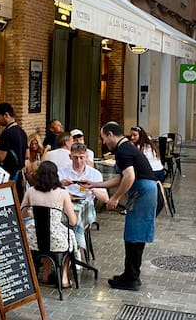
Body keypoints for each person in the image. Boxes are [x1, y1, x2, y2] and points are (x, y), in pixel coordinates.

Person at [85, 122, 157, 291]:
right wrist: (96, 184)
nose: (103, 143)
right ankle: (129, 274)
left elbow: (129, 177)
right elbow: (120, 177)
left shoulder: (124, 150)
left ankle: (132, 279)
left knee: (134, 236)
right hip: (144, 192)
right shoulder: (125, 148)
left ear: (110, 134)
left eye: (103, 138)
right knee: (132, 235)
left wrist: (115, 198)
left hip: (143, 193)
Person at [20, 161, 77, 288]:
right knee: (69, 242)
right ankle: (64, 278)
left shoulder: (30, 191)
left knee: (45, 243)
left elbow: (21, 214)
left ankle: (45, 275)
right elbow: (72, 221)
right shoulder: (62, 193)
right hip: (55, 237)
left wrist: (31, 213)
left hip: (34, 237)